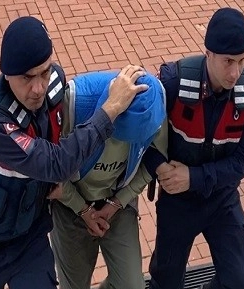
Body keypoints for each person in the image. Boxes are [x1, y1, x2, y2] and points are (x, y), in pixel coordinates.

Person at [0, 16, 148, 289]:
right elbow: (56, 164)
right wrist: (111, 108)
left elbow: (63, 144)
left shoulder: (55, 84)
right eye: (27, 78)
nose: (39, 88)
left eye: (44, 72)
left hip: (29, 241)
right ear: (6, 74)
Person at [148, 7, 244, 289]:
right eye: (228, 61)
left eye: (242, 60)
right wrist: (159, 167)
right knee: (166, 282)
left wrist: (194, 177)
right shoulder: (172, 83)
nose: (235, 72)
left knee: (242, 280)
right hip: (178, 202)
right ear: (208, 53)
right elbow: (142, 140)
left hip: (221, 198)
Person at [49, 70, 168, 289]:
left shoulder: (156, 101)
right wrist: (83, 210)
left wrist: (117, 203)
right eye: (119, 135)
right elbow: (52, 172)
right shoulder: (73, 103)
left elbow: (153, 162)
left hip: (117, 201)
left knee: (132, 286)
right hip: (70, 204)